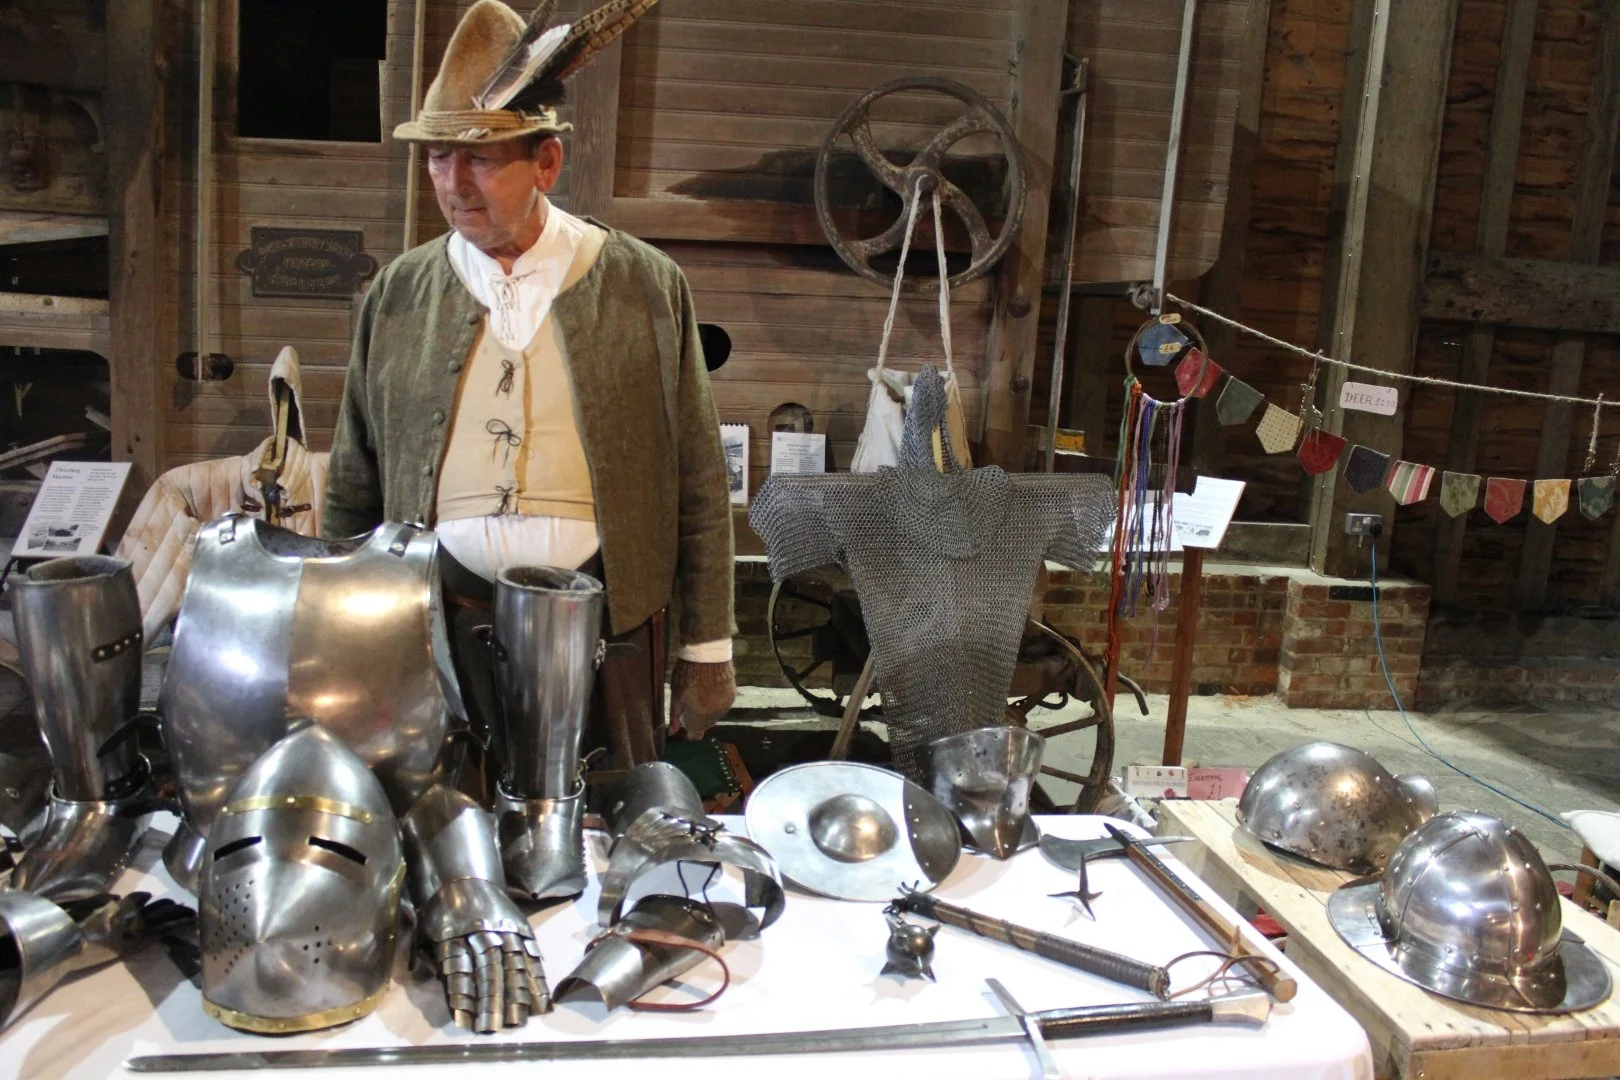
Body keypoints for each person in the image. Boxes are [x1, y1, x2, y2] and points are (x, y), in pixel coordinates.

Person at [323, 0, 736, 757]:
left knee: (604, 825)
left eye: (480, 158)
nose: (454, 184)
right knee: (452, 822)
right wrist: (340, 629)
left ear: (546, 163)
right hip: (437, 618)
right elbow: (354, 477)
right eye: (439, 158)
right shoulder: (398, 293)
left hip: (611, 621)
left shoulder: (644, 284)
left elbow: (699, 478)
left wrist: (706, 647)